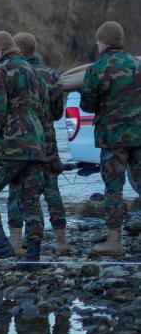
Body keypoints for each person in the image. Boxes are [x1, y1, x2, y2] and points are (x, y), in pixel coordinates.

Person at [0, 32, 47, 266]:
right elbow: (42, 108)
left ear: (0, 50)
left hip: (10, 145)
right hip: (35, 144)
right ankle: (33, 254)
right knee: (31, 198)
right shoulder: (32, 71)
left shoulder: (0, 71)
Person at [79, 21, 141, 257]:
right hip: (139, 135)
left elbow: (88, 105)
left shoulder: (97, 69)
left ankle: (114, 241)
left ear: (103, 42)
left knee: (113, 188)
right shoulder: (137, 65)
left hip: (113, 139)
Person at [13, 32, 69, 256]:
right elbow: (57, 114)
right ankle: (61, 241)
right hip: (47, 142)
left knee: (17, 190)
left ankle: (16, 242)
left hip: (19, 142)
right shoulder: (52, 76)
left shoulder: (12, 74)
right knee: (51, 189)